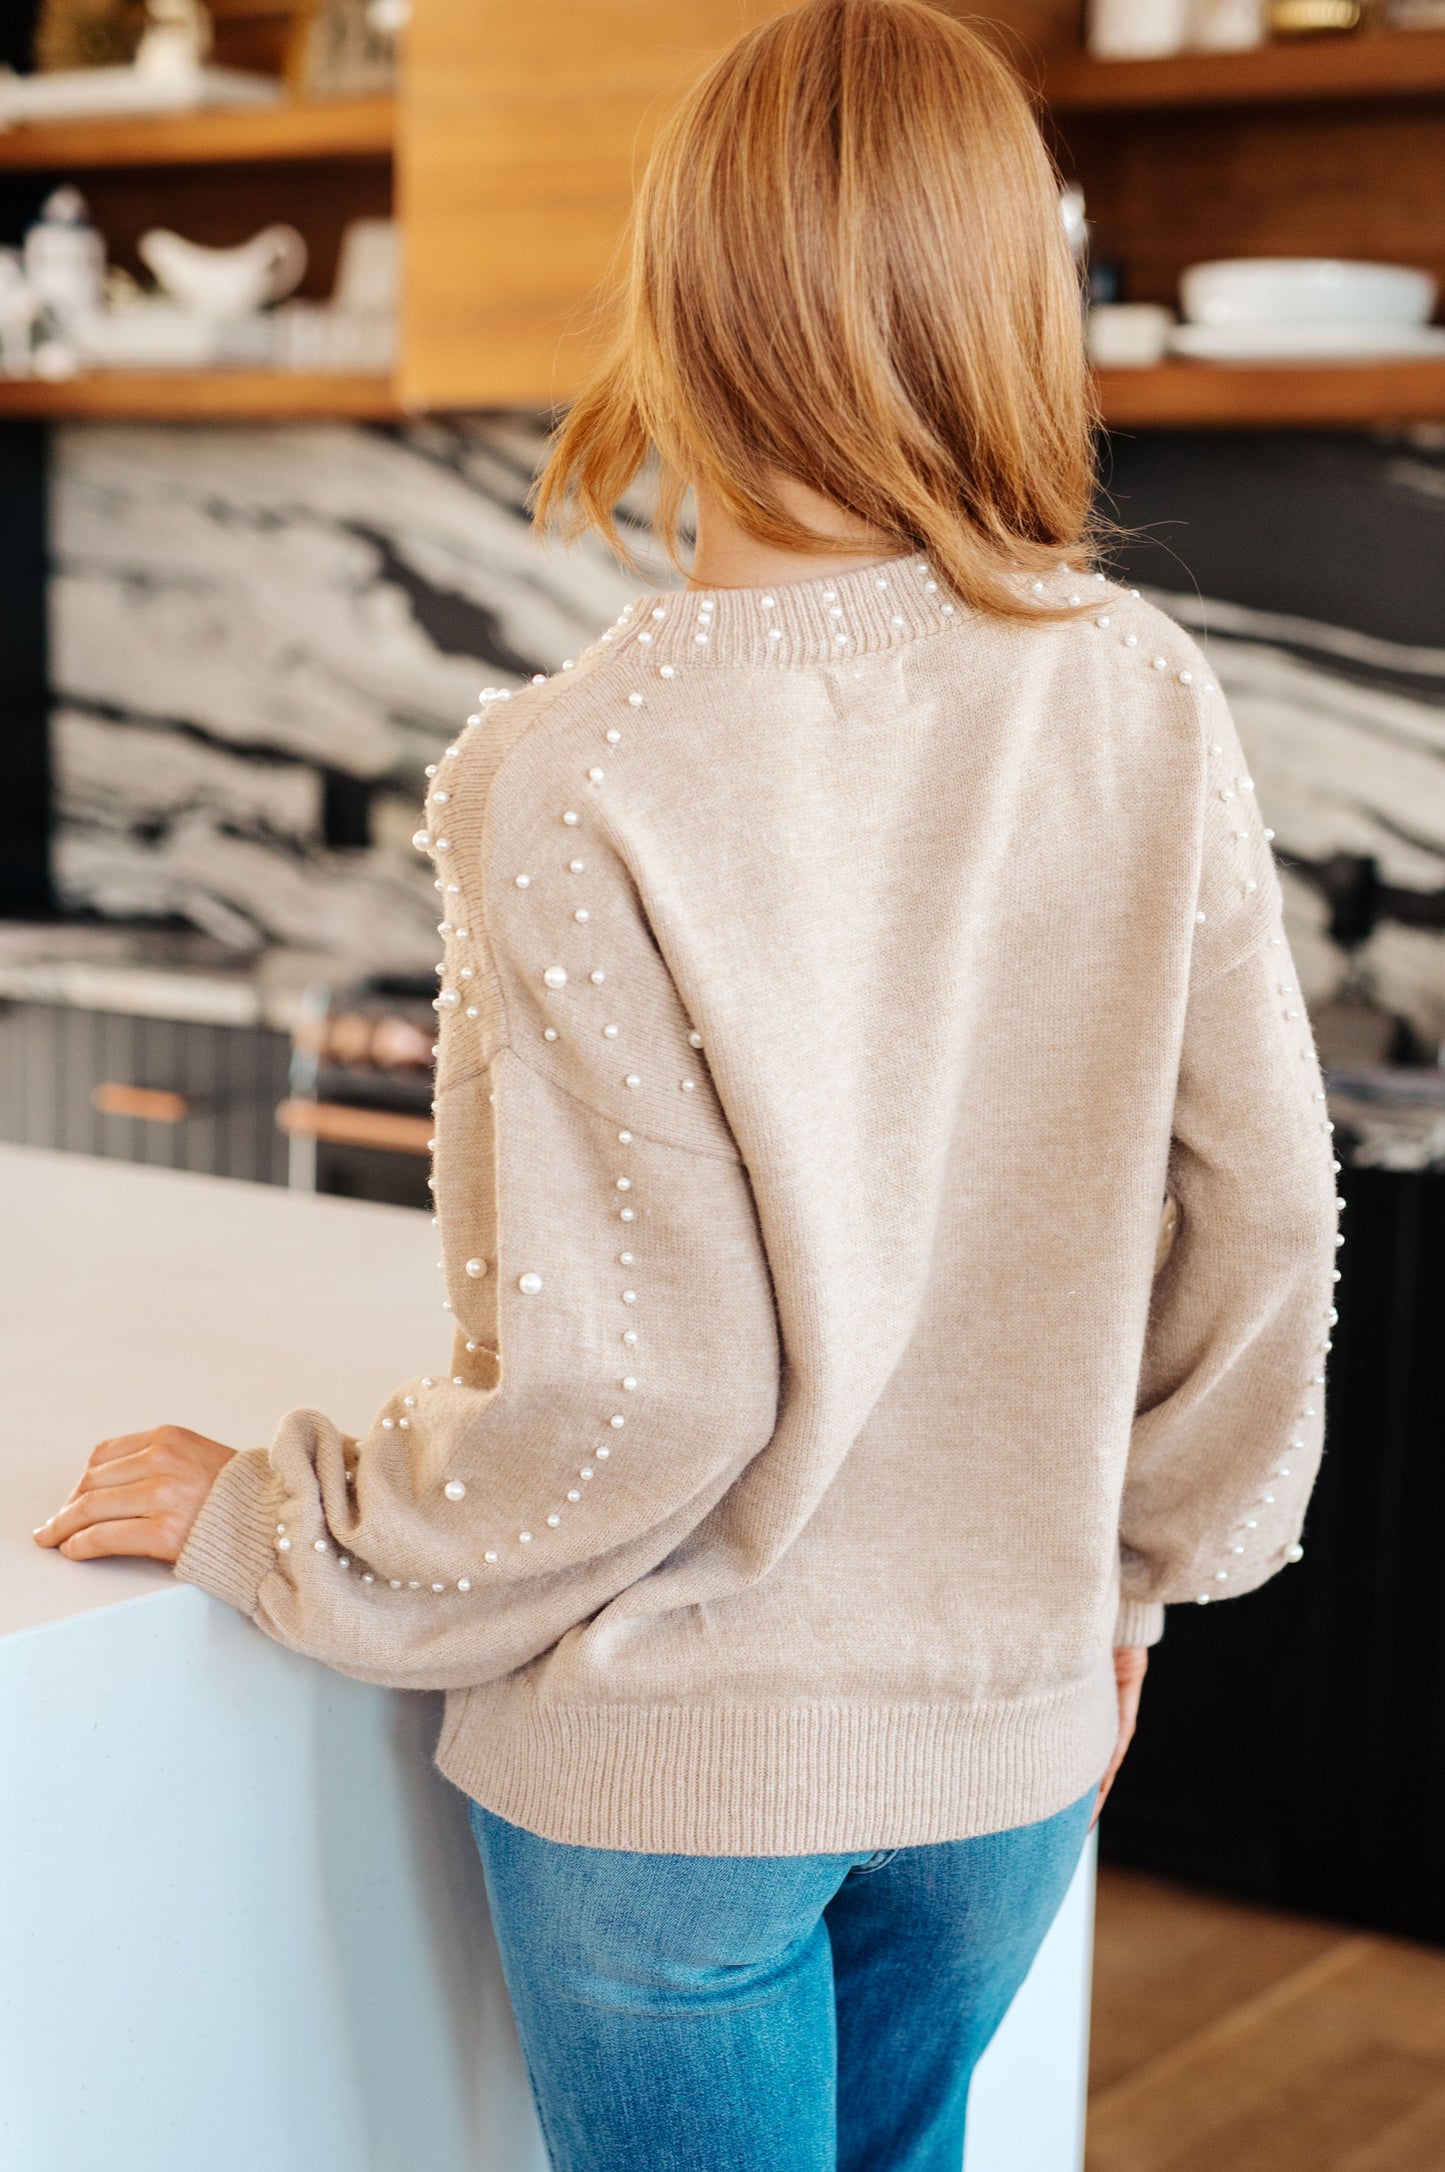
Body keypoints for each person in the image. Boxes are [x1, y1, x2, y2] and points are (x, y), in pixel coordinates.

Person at [35, 2, 1339, 2165]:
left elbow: (646, 1396)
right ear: (1017, 310)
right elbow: (1271, 1216)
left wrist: (279, 1516)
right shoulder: (1139, 691)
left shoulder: (576, 773)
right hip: (1010, 1753)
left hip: (677, 1795)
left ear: (679, 307)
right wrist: (1122, 1588)